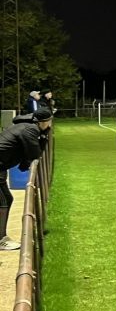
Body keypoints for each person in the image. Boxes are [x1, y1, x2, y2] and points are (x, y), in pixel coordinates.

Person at [0, 107, 53, 250]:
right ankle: (1, 239)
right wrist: (44, 136)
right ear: (43, 122)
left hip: (2, 167)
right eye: (49, 121)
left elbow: (28, 155)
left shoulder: (26, 126)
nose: (49, 124)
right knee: (4, 200)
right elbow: (34, 153)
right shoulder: (31, 129)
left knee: (5, 199)